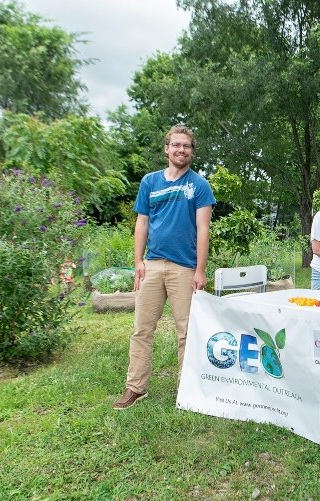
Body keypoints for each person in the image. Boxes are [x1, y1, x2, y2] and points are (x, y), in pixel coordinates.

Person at [114, 124, 216, 410]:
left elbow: (203, 228)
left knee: (186, 331)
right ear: (167, 149)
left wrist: (200, 270)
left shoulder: (199, 185)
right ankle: (135, 387)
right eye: (176, 145)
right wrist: (138, 263)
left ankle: (187, 389)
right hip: (153, 265)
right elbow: (142, 223)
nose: (181, 150)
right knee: (142, 329)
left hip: (184, 268)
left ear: (192, 152)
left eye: (186, 146)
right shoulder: (150, 182)